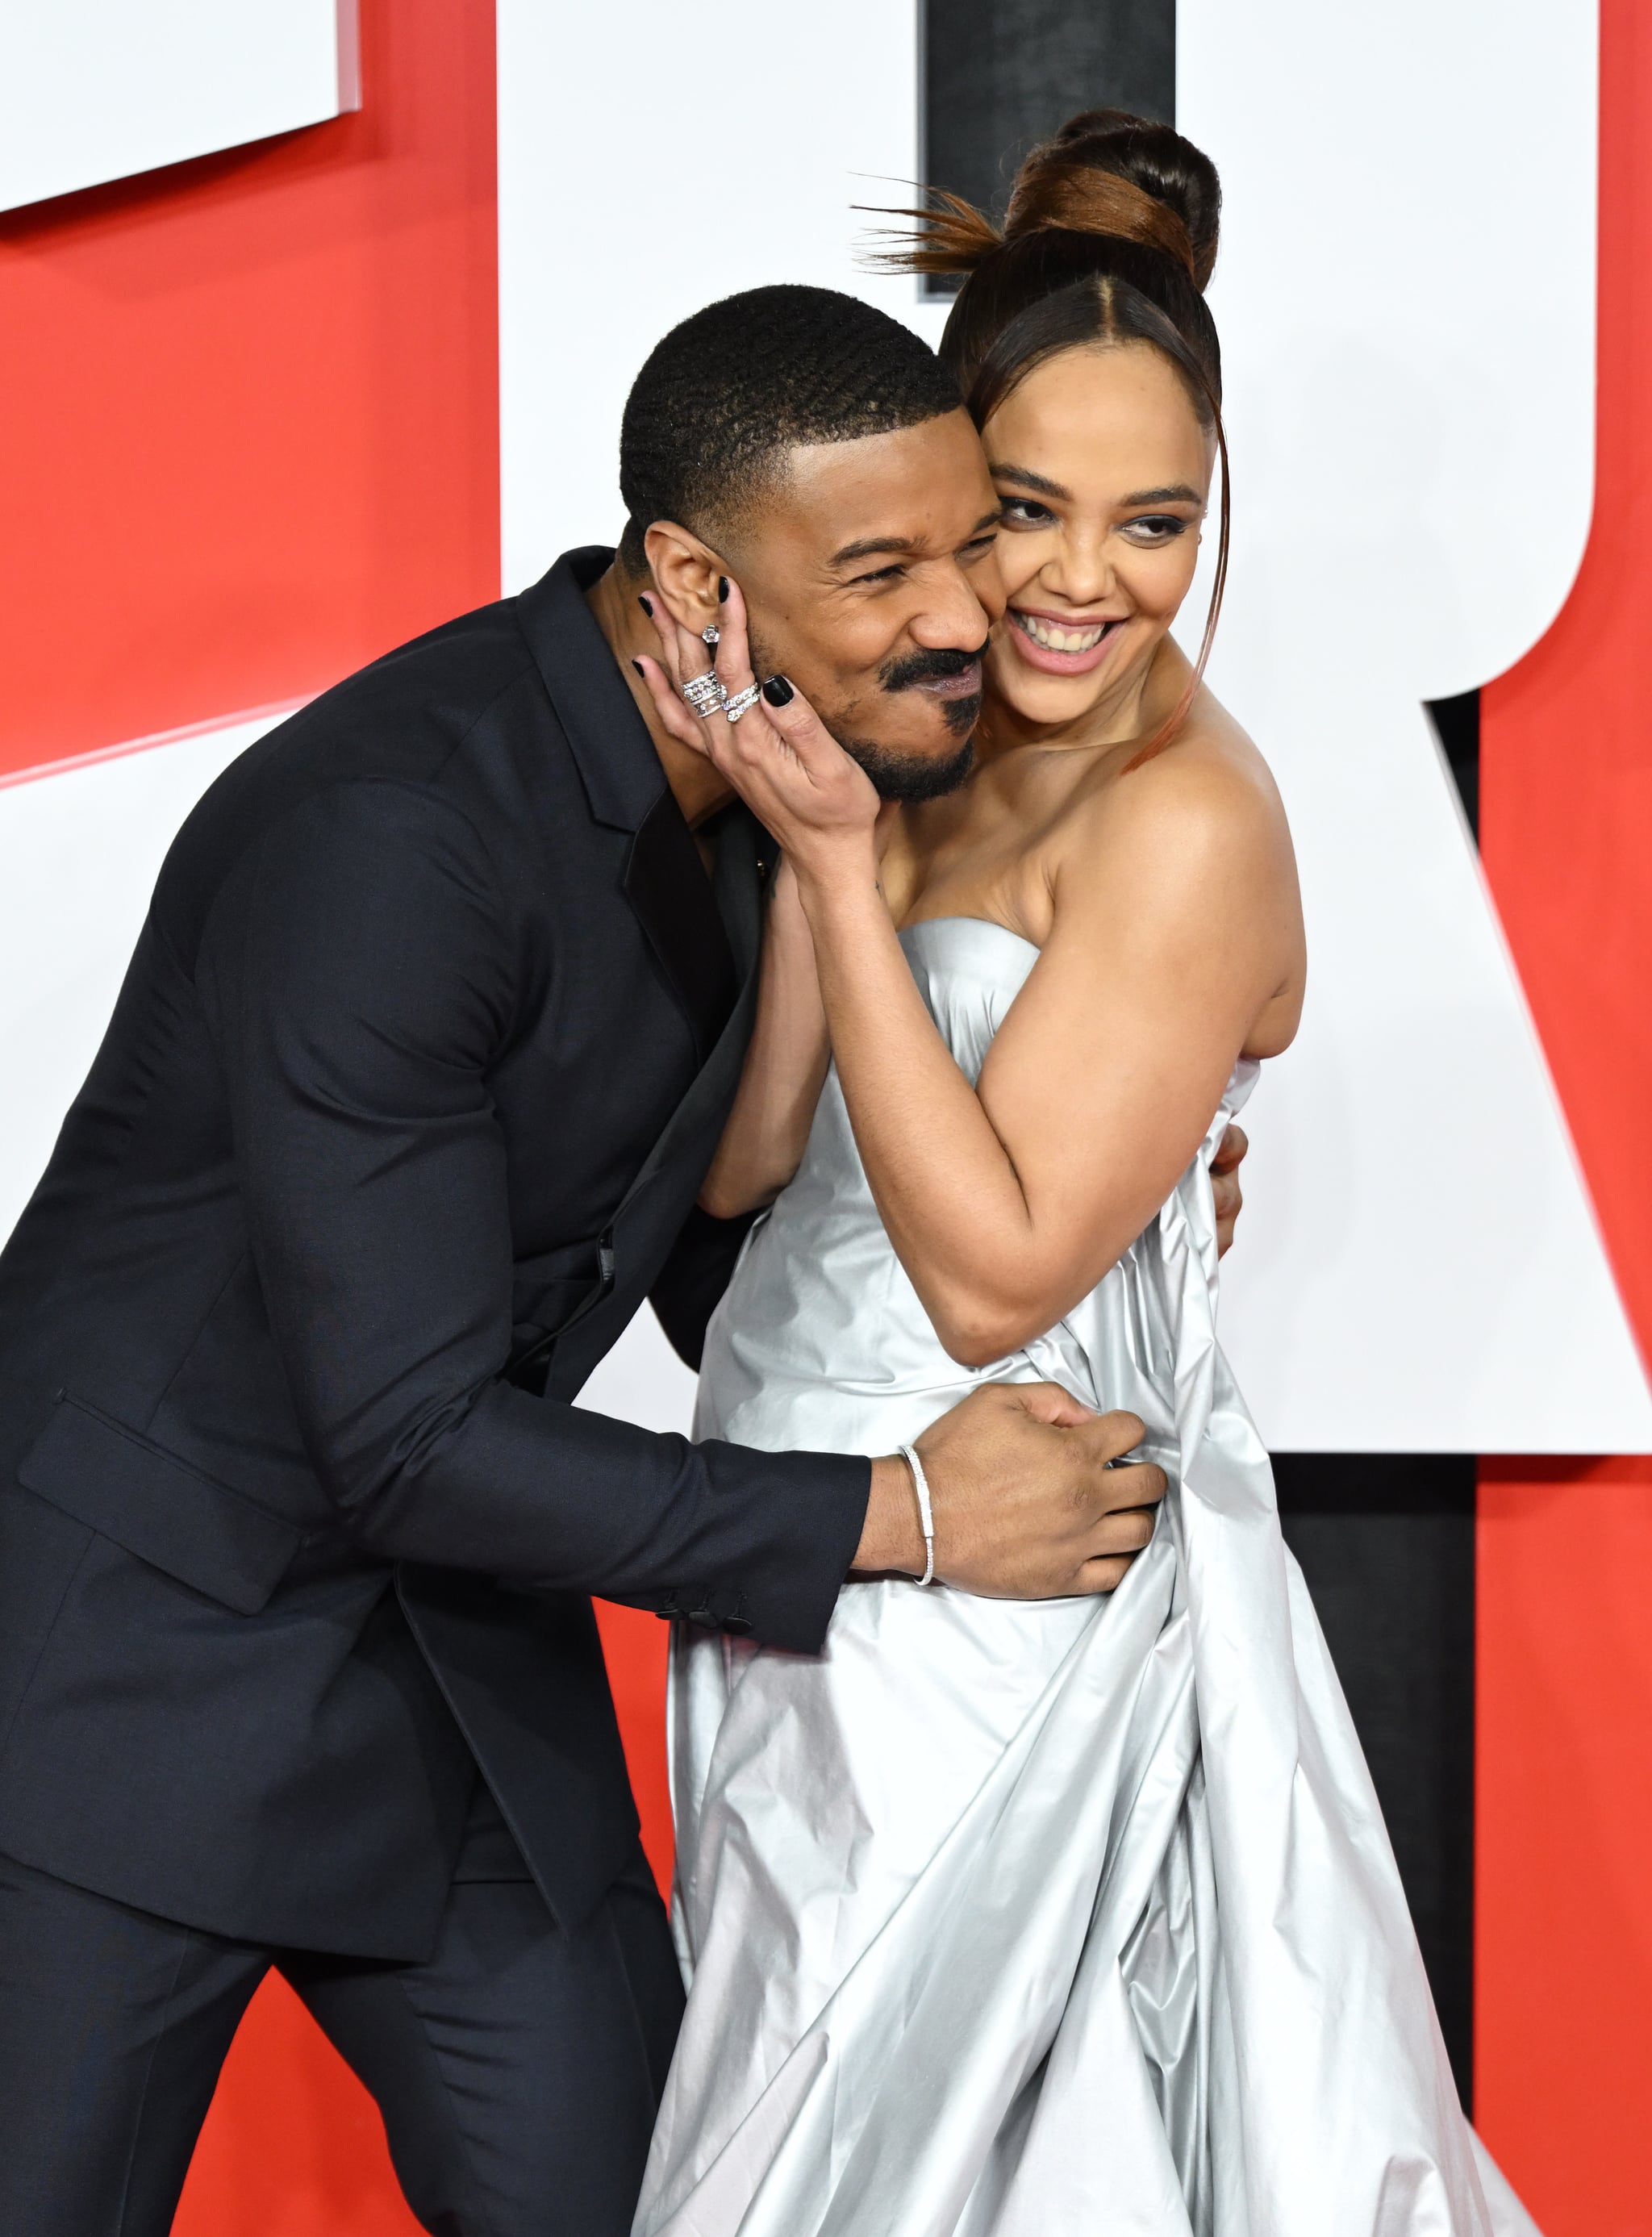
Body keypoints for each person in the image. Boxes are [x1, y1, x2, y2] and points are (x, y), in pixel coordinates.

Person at [0, 288, 1195, 2236]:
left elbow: (696, 1229)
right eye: (882, 566)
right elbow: (401, 1434)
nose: (967, 616)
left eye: (965, 538)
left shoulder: (784, 771)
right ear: (689, 580)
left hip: (455, 1655)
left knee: (647, 2198)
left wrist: (1100, 1196)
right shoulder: (395, 840)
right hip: (129, 1654)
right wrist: (900, 1513)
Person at [629, 115, 1533, 2235]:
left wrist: (843, 876)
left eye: (1157, 521)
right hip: (795, 1527)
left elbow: (994, 1269)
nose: (1078, 581)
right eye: (1024, 510)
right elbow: (763, 1160)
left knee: (913, 2155)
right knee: (807, 2107)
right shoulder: (931, 732)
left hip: (1010, 1563)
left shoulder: (1190, 820)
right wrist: (813, 822)